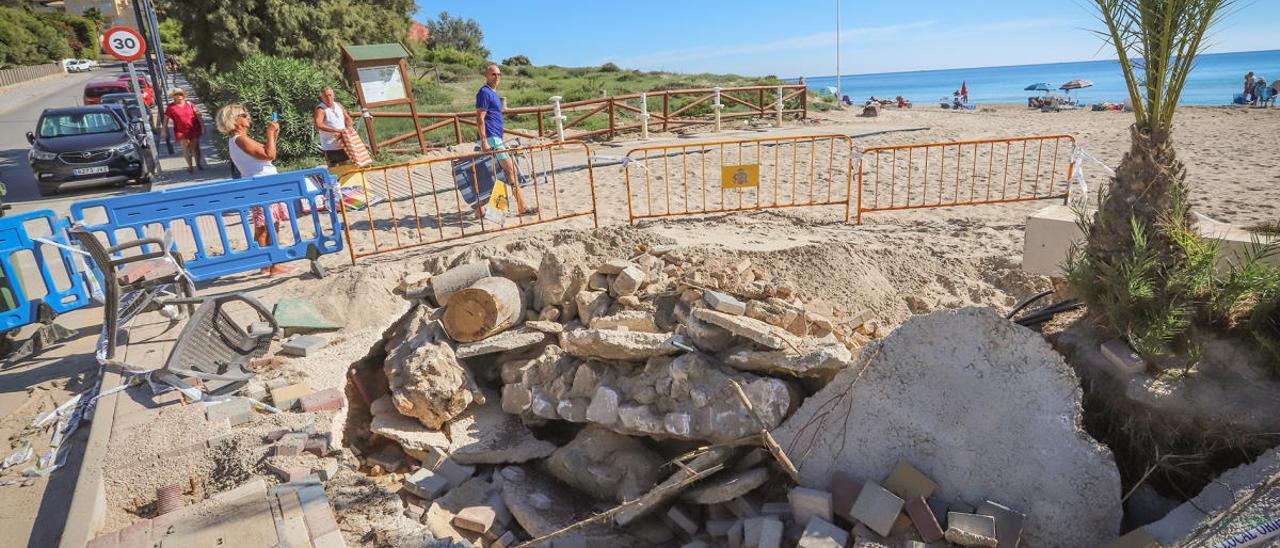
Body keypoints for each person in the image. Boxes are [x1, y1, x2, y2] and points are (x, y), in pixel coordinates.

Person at [216, 104, 295, 276]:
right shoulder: (240, 139)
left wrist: (273, 134)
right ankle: (272, 264)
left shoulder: (237, 140)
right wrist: (269, 133)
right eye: (244, 115)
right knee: (268, 226)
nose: (248, 117)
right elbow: (270, 155)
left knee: (266, 226)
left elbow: (266, 151)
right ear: (234, 120)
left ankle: (266, 264)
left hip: (260, 186)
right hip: (263, 187)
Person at [476, 64, 535, 218]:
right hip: (492, 139)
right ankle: (521, 206)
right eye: (493, 74)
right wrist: (484, 141)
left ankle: (482, 210)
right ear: (487, 76)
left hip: (496, 138)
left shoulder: (493, 93)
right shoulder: (484, 92)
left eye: (499, 74)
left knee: (496, 174)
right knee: (510, 172)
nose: (497, 77)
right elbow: (480, 118)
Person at [314, 87, 355, 167]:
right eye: (325, 96)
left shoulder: (339, 105)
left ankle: (343, 179)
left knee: (344, 165)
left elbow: (347, 118)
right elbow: (318, 124)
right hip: (330, 145)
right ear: (322, 97)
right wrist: (335, 130)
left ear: (333, 95)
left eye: (330, 95)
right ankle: (333, 180)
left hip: (342, 141)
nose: (328, 98)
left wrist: (350, 127)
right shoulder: (321, 109)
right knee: (332, 167)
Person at [164, 89, 204, 173]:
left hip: (193, 128)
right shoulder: (171, 107)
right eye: (177, 94)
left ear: (184, 95)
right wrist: (165, 131)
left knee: (196, 148)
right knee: (186, 147)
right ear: (173, 96)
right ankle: (190, 167)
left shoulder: (190, 104)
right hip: (180, 131)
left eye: (181, 94)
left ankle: (198, 164)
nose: (179, 96)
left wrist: (202, 127)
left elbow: (198, 116)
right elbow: (165, 121)